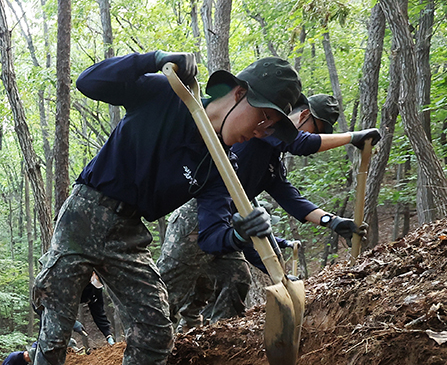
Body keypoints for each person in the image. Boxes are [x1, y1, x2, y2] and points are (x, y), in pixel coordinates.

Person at [28, 52, 302, 365]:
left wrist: (241, 232)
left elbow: (211, 236)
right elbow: (89, 82)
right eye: (262, 118)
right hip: (84, 214)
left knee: (157, 319)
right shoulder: (168, 96)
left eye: (272, 127)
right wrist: (152, 60)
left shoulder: (219, 166)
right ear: (239, 94)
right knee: (59, 319)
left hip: (130, 233)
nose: (261, 131)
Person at [159, 93, 382, 329]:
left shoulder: (271, 161)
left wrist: (332, 221)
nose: (315, 136)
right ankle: (145, 349)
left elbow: (290, 198)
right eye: (316, 130)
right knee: (166, 295)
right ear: (304, 115)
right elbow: (300, 143)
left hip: (233, 226)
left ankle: (217, 344)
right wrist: (352, 137)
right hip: (196, 222)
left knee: (236, 279)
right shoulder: (268, 130)